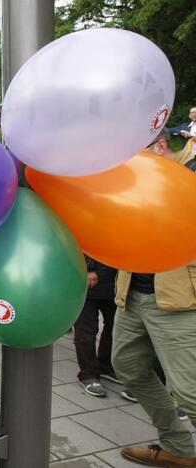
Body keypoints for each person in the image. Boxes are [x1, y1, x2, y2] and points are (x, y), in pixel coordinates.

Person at [112, 130, 196, 466]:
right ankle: (178, 446)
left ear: (158, 146)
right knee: (128, 368)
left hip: (179, 300)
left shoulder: (188, 176)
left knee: (190, 391)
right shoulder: (138, 180)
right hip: (132, 293)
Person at [74, 256, 118, 398]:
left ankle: (106, 366)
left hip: (115, 280)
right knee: (87, 330)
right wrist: (87, 267)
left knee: (114, 328)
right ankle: (88, 374)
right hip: (90, 281)